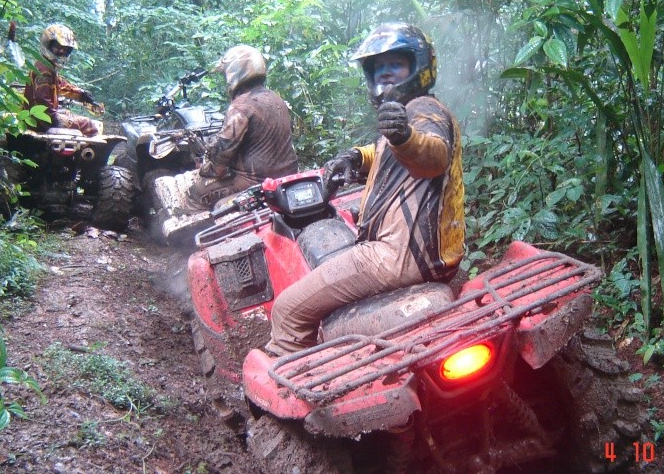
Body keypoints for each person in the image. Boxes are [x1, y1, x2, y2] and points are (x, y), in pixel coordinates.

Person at [266, 22, 465, 356]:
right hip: (424, 254)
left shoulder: (422, 111)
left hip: (396, 255)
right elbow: (391, 152)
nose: (385, 73)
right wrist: (357, 158)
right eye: (378, 67)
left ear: (419, 66)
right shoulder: (413, 113)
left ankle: (294, 396)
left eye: (396, 64)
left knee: (287, 310)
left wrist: (404, 137)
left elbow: (433, 155)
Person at [182, 44, 298, 212]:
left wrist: (204, 170)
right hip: (288, 175)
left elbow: (220, 163)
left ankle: (200, 234)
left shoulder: (241, 106)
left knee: (195, 194)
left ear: (234, 72)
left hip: (255, 182)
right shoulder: (276, 99)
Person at [23, 24, 101, 137]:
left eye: (65, 49)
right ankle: (84, 154)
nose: (61, 51)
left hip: (39, 117)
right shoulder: (44, 69)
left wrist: (81, 94)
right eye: (58, 47)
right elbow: (41, 97)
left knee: (69, 114)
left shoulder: (46, 65)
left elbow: (61, 85)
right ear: (48, 44)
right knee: (89, 125)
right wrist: (55, 118)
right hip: (41, 120)